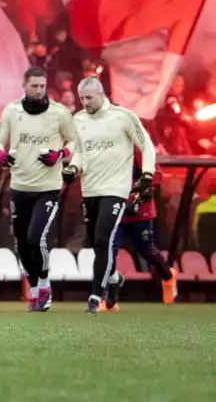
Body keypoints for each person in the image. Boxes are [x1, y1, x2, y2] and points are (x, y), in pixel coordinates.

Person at [0, 66, 80, 312]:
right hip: (19, 186)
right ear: (24, 86)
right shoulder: (12, 111)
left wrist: (60, 155)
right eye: (35, 86)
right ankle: (34, 288)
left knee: (35, 237)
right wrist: (0, 154)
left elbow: (75, 142)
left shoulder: (60, 113)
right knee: (21, 243)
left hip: (48, 188)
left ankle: (43, 284)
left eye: (42, 85)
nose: (40, 90)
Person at [64, 76, 156, 315]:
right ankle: (114, 279)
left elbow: (146, 145)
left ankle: (95, 297)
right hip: (90, 189)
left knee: (104, 239)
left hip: (116, 189)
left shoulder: (123, 116)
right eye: (82, 98)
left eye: (89, 97)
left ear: (101, 94)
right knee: (97, 244)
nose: (85, 102)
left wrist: (147, 174)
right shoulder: (79, 119)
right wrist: (73, 168)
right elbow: (79, 152)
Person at [113, 163, 177, 308]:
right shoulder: (109, 150)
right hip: (116, 210)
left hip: (141, 212)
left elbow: (158, 176)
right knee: (109, 250)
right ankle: (108, 299)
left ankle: (167, 275)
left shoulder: (140, 148)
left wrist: (138, 194)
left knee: (146, 250)